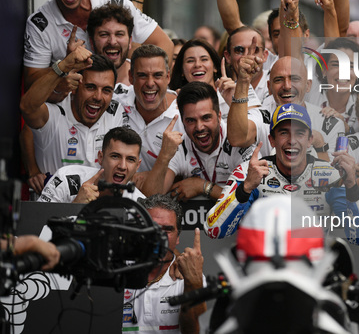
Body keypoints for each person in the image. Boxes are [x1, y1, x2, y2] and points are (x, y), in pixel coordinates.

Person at [204, 103, 359, 247]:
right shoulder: (249, 172)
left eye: (299, 133)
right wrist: (246, 188)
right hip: (264, 270)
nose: (292, 140)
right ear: (272, 140)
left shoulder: (329, 175)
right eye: (284, 132)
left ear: (310, 140)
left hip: (312, 274)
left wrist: (351, 186)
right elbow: (214, 230)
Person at [23, 0, 172, 104]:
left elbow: (164, 44)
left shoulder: (114, 2)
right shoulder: (40, 24)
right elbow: (32, 81)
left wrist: (142, 90)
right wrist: (64, 68)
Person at [142, 81, 262, 201]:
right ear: (182, 122)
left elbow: (252, 198)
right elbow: (150, 199)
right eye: (191, 120)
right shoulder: (179, 147)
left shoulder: (239, 144)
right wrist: (164, 155)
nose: (199, 127)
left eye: (206, 118)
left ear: (219, 116)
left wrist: (204, 187)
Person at [20, 53, 126, 176]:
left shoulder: (116, 111)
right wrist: (62, 67)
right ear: (74, 88)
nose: (98, 97)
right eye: (90, 87)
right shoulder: (55, 112)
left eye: (106, 90)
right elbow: (27, 107)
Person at [122, 194, 204, 333]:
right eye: (153, 228)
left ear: (178, 238)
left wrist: (192, 283)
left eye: (168, 230)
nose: (159, 236)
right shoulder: (116, 272)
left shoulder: (189, 277)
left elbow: (194, 330)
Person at [113, 44, 183, 173]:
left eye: (157, 75)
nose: (150, 83)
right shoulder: (115, 98)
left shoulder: (183, 115)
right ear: (130, 77)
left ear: (168, 77)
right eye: (142, 75)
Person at [37, 127, 145, 203]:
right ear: (100, 158)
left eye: (130, 159)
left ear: (138, 165)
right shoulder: (65, 179)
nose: (122, 166)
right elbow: (36, 225)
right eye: (115, 156)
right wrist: (75, 205)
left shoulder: (139, 204)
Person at [87, 3, 134, 86]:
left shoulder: (144, 80)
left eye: (119, 34)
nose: (112, 42)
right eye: (104, 34)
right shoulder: (78, 81)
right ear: (91, 41)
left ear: (130, 41)